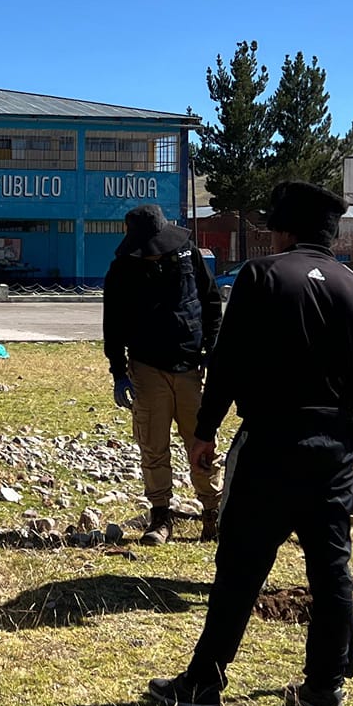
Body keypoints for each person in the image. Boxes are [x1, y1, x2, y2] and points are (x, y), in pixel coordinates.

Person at [146, 180, 353, 706]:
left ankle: (203, 685)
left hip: (271, 443)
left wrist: (205, 429)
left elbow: (229, 361)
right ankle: (325, 689)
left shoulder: (262, 276)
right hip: (332, 449)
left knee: (240, 567)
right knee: (331, 572)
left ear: (286, 229)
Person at [102, 204, 223, 545]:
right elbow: (113, 324)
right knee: (153, 445)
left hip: (190, 368)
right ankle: (160, 517)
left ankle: (213, 513)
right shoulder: (122, 268)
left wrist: (212, 351)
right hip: (145, 368)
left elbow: (212, 303)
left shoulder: (189, 257)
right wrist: (117, 371)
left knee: (200, 441)